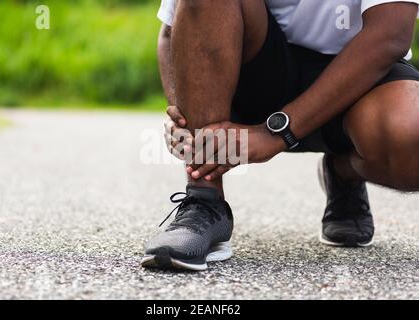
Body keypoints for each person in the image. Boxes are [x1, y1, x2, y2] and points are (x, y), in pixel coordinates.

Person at [141, 0, 419, 271]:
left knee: (411, 138)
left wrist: (275, 132)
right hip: (259, 69)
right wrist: (182, 112)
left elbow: (390, 35)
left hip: (358, 77)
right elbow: (172, 29)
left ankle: (344, 171)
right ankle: (204, 201)